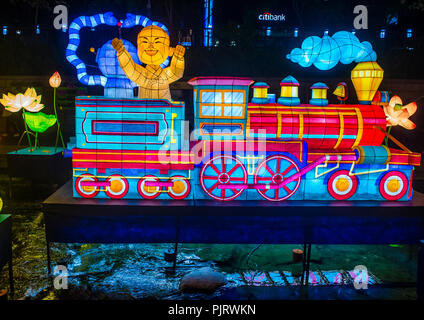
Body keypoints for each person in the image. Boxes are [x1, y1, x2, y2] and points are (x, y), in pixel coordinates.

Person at [112, 25, 185, 100]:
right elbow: (130, 68)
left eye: (157, 42)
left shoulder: (165, 75)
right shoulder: (142, 75)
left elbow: (176, 73)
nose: (151, 46)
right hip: (145, 109)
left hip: (163, 109)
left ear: (168, 49)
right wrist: (121, 52)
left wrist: (178, 57)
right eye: (145, 42)